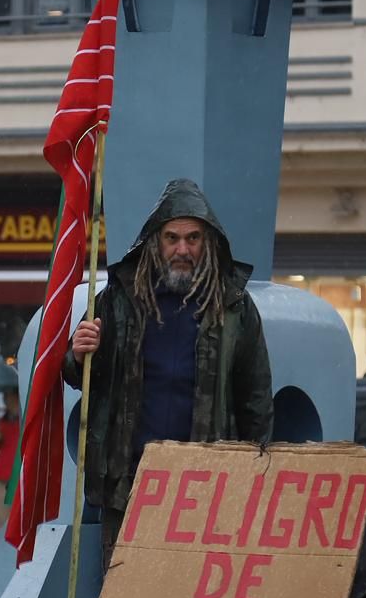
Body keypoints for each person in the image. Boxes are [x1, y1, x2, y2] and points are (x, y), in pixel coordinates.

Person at [66, 178, 273, 561]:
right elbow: (81, 377)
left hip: (206, 489)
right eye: (172, 238)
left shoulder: (235, 309)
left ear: (208, 243)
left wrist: (252, 479)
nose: (182, 249)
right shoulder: (118, 300)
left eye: (193, 238)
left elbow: (255, 401)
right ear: (154, 242)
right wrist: (78, 354)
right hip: (128, 486)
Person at [0, 391, 20, 528]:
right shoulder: (1, 423)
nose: (9, 403)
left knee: (16, 516)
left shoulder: (23, 421)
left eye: (11, 400)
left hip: (17, 475)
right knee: (2, 516)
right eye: (7, 400)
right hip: (3, 476)